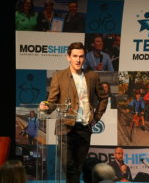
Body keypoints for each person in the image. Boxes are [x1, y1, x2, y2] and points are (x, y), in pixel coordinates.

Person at [39, 42, 108, 183]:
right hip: (65, 127)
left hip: (84, 128)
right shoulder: (59, 76)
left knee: (77, 166)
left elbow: (103, 98)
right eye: (75, 56)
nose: (78, 60)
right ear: (68, 57)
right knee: (68, 165)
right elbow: (52, 101)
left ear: (84, 58)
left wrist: (96, 118)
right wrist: (45, 106)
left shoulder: (92, 76)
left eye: (81, 56)